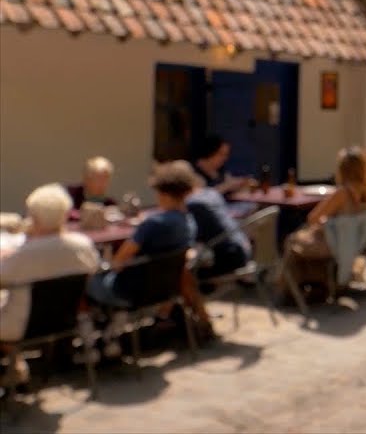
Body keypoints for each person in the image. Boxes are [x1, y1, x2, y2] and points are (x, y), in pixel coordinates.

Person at [86, 161, 213, 337]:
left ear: (163, 194)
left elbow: (119, 261)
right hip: (163, 290)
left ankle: (93, 338)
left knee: (84, 279)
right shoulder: (188, 222)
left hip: (129, 292)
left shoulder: (152, 224)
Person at [0, 185, 101, 386]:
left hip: (20, 327)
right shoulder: (82, 245)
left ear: (34, 217)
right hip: (64, 321)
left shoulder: (24, 254)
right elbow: (93, 270)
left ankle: (16, 364)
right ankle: (17, 364)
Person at [281, 148, 366, 296]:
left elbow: (312, 218)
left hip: (336, 244)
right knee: (304, 240)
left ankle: (291, 291)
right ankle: (320, 283)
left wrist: (329, 222)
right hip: (357, 244)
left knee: (292, 241)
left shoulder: (342, 193)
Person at [186, 185, 251, 284]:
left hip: (232, 259)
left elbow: (193, 241)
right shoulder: (212, 194)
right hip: (244, 250)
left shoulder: (194, 205)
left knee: (185, 274)